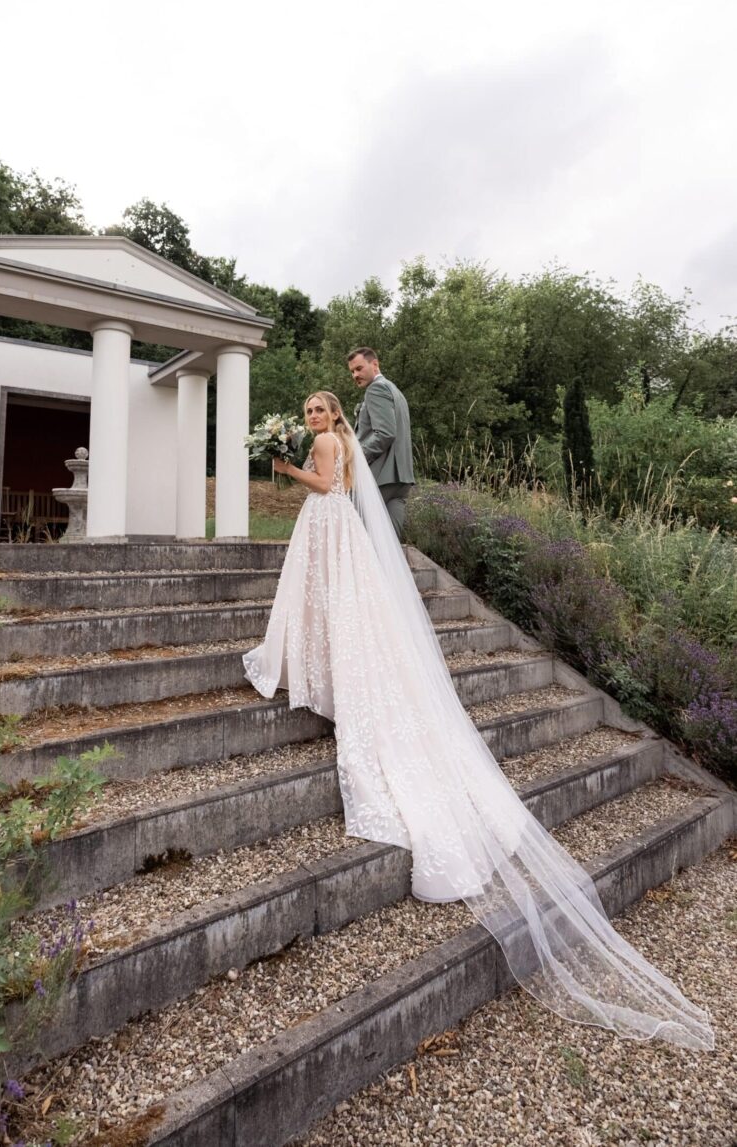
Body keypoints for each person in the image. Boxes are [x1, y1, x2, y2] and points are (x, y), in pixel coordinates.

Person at [243, 390, 713, 1052]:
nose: (315, 420)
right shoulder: (349, 440)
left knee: (327, 605)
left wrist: (288, 471)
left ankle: (311, 669)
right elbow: (343, 482)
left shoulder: (325, 448)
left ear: (328, 418)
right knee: (338, 607)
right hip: (339, 530)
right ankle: (319, 665)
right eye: (310, 414)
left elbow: (324, 484)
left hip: (327, 523)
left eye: (319, 412)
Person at [348, 347, 415, 537]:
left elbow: (385, 433)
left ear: (374, 364)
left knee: (356, 536)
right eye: (352, 371)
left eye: (359, 368)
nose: (355, 375)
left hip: (380, 477)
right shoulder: (396, 392)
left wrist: (354, 456)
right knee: (389, 545)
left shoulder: (376, 389)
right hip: (401, 481)